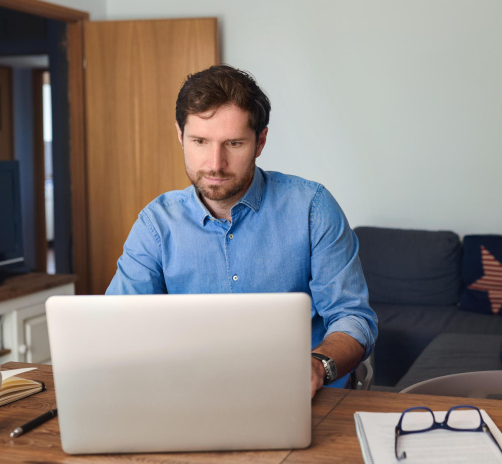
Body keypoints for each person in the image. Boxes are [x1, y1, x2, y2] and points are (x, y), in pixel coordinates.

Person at [106, 64, 377, 397]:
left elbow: (353, 317)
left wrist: (318, 365)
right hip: (191, 394)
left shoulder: (312, 208)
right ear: (180, 136)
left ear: (260, 141)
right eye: (200, 141)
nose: (215, 164)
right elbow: (117, 326)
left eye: (233, 144)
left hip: (306, 396)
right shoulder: (155, 225)